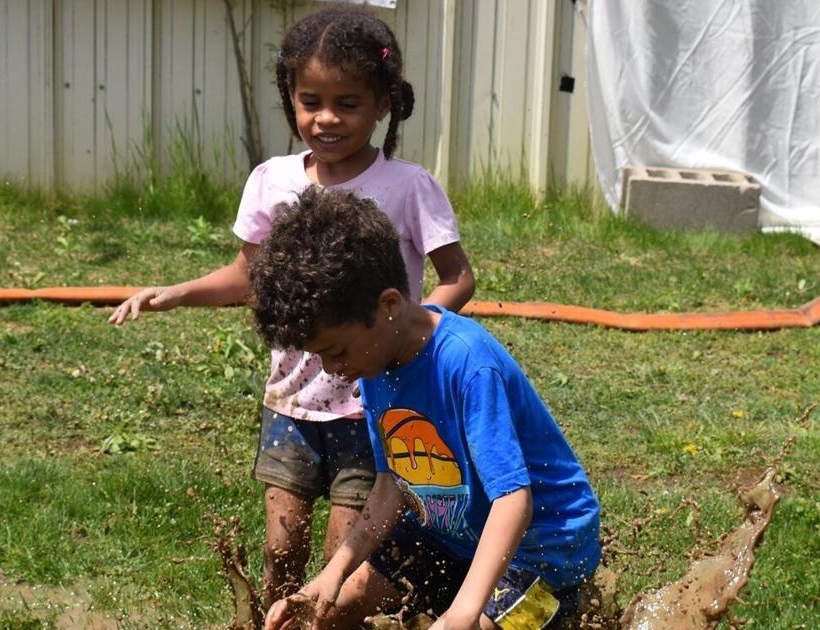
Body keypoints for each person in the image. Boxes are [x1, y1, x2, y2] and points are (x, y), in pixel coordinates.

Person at [107, 5, 475, 606]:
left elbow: (457, 278)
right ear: (291, 99)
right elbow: (246, 276)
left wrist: (407, 341)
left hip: (370, 401)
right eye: (310, 101)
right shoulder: (271, 180)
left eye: (347, 103)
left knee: (343, 554)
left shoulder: (408, 187)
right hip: (291, 399)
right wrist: (175, 293)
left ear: (383, 102)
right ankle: (270, 618)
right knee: (282, 545)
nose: (326, 118)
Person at [252, 186, 600, 630]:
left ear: (389, 306)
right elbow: (391, 485)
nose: (331, 369)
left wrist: (463, 613)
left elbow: (514, 501)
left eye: (335, 351)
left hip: (542, 556)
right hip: (452, 537)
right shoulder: (376, 361)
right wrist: (331, 575)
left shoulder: (467, 364)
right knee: (332, 614)